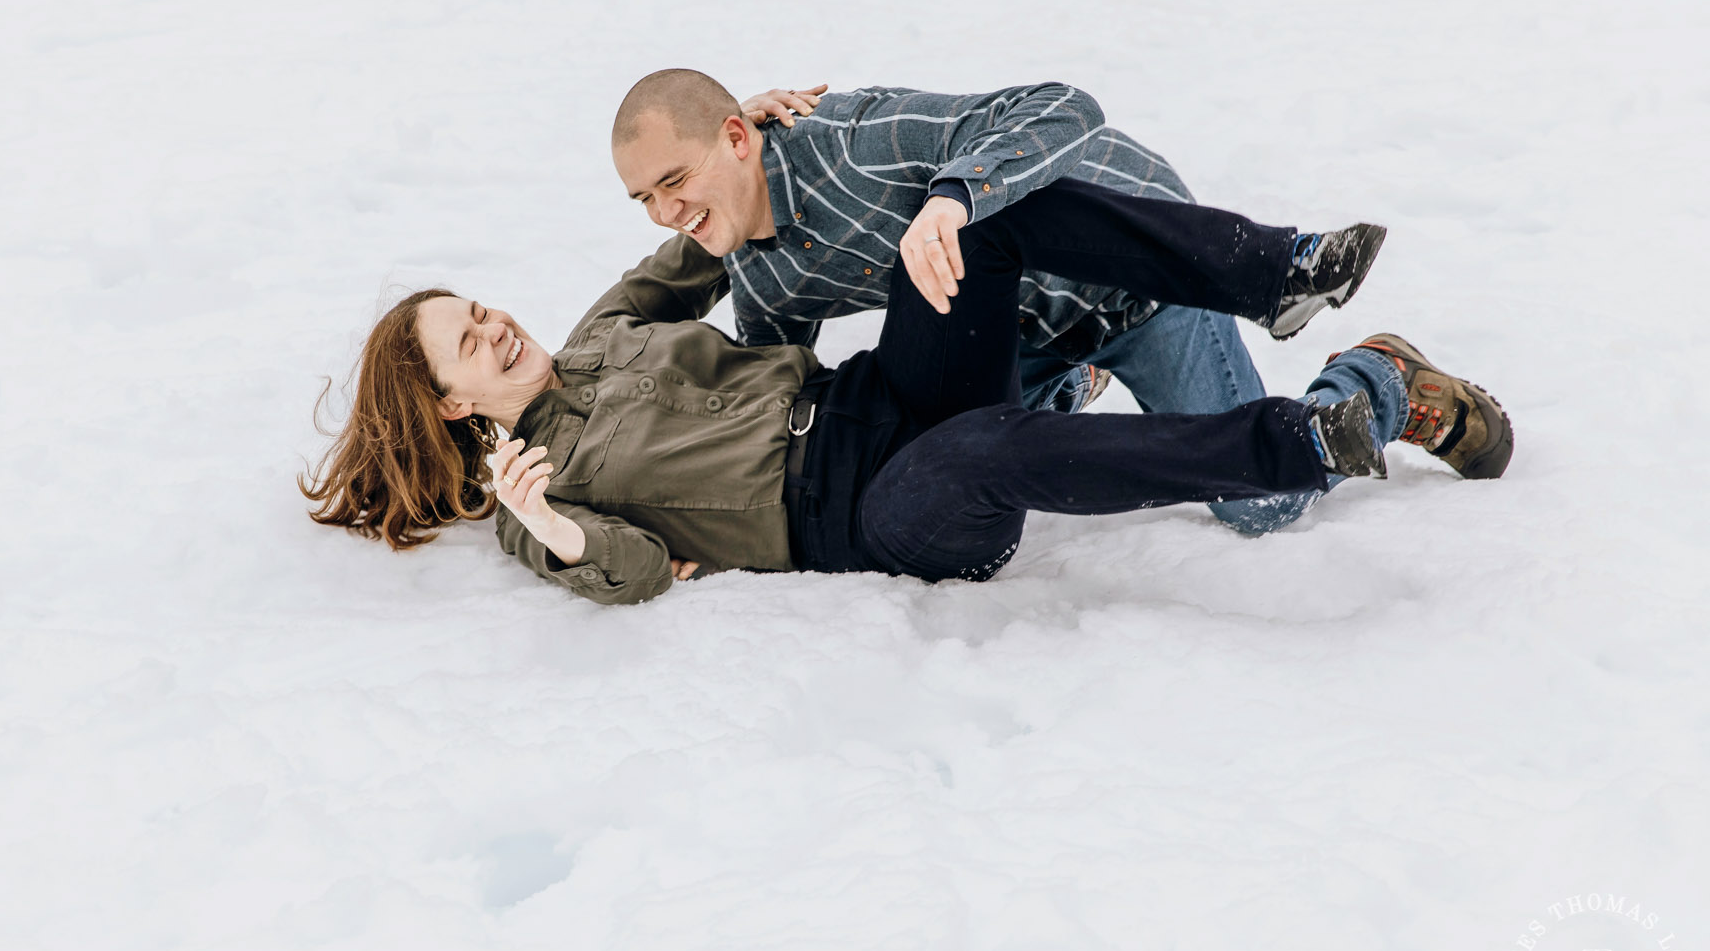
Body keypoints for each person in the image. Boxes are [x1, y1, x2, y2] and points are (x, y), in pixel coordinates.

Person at [300, 166, 1514, 604]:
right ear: (452, 403)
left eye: (477, 305)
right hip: (866, 515)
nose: (495, 323)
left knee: (971, 220)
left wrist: (748, 135)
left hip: (872, 398)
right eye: (468, 339)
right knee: (988, 455)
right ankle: (1307, 436)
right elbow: (622, 575)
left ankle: (1274, 267)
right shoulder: (531, 496)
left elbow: (701, 235)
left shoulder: (602, 329)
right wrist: (555, 525)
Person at [611, 70, 1399, 536]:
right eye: (645, 197)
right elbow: (780, 404)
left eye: (674, 181)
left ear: (739, 139)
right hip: (1025, 328)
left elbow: (1064, 106)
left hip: (1140, 276)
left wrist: (953, 197)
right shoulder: (761, 282)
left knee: (1262, 511)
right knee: (960, 418)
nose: (662, 211)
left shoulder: (848, 140)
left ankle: (1372, 370)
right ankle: (1068, 383)